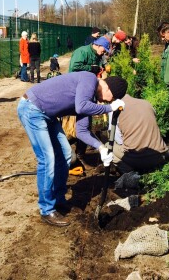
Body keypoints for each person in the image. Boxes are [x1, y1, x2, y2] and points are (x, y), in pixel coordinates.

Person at [17, 72, 127, 227]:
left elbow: (81, 131)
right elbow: (81, 106)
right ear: (109, 89)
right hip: (32, 109)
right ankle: (46, 210)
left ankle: (59, 200)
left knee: (66, 155)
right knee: (47, 159)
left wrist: (101, 148)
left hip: (48, 115)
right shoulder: (89, 80)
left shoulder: (91, 98)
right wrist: (109, 108)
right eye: (111, 98)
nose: (106, 101)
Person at [112, 88, 169, 174]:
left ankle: (130, 172)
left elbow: (118, 140)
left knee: (107, 147)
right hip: (161, 154)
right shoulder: (146, 103)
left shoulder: (115, 109)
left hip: (139, 158)